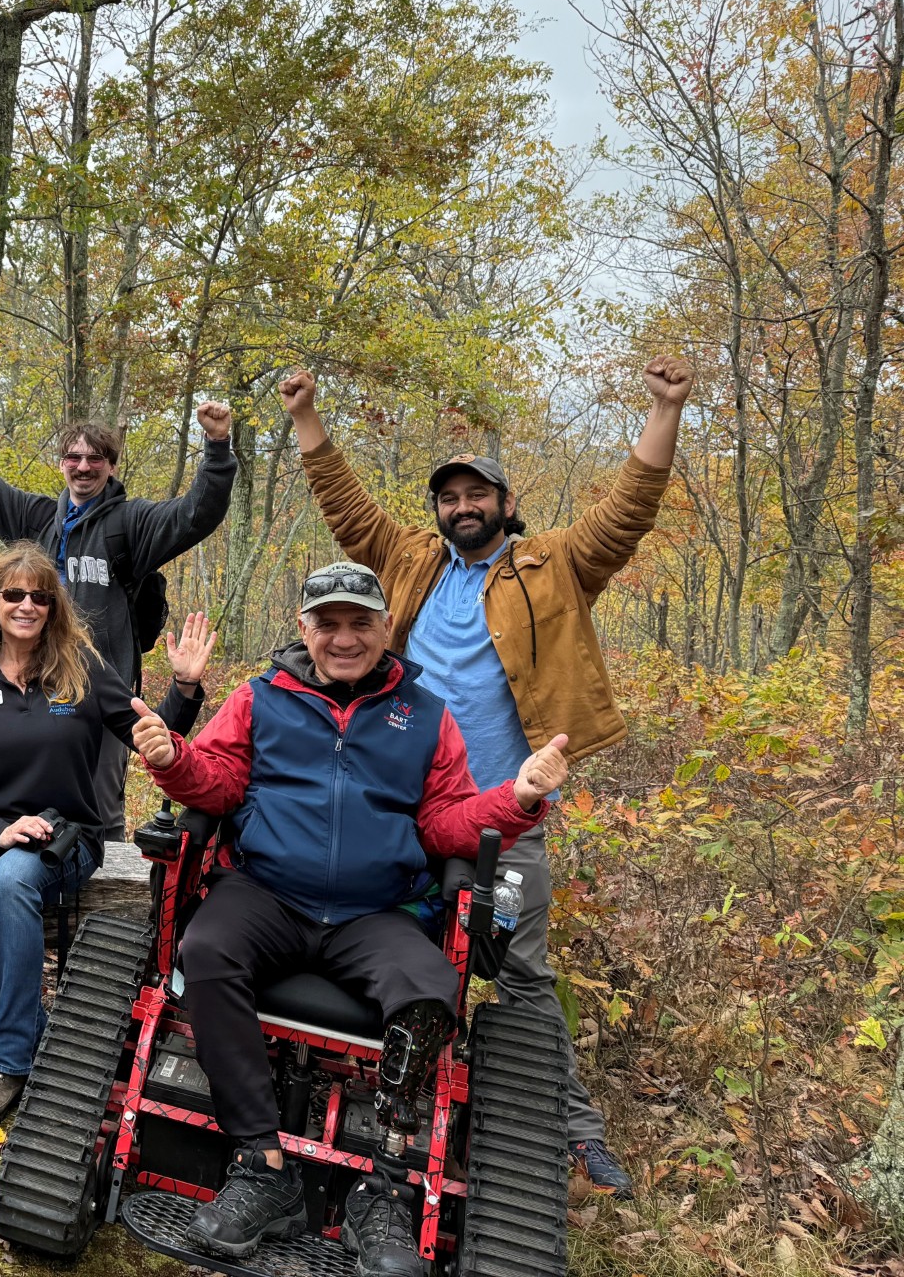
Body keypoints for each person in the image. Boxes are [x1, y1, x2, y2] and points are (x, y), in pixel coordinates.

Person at [278, 357, 694, 1198]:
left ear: (506, 503)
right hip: (403, 811)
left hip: (507, 822)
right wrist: (305, 415)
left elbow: (626, 514)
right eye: (449, 497)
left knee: (518, 970)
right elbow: (345, 503)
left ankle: (572, 1129)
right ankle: (358, 1100)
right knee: (379, 947)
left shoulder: (553, 565)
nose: (462, 507)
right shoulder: (411, 561)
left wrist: (664, 411)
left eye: (477, 495)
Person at [128, 562, 568, 1275]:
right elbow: (219, 782)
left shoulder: (427, 716)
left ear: (386, 628)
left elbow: (446, 824)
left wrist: (516, 799)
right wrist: (173, 760)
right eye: (327, 623)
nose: (344, 638)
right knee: (204, 950)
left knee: (430, 992)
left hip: (377, 911)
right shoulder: (261, 698)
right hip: (266, 892)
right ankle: (262, 1164)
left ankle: (384, 1187)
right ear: (303, 630)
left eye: (360, 622)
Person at [0, 545, 211, 1128]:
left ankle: (7, 1063)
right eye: (14, 594)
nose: (27, 605)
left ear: (54, 606)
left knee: (12, 881)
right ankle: (39, 1029)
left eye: (40, 596)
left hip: (66, 831)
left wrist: (184, 689)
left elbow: (149, 733)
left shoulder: (80, 670)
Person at [0, 376, 236, 839]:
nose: (84, 466)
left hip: (95, 691)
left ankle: (94, 878)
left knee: (97, 813)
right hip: (24, 681)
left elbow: (195, 514)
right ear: (61, 463)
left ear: (111, 465)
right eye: (74, 457)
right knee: (17, 795)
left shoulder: (130, 524)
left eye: (95, 458)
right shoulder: (36, 520)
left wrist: (217, 447)